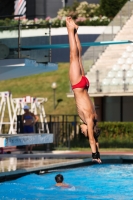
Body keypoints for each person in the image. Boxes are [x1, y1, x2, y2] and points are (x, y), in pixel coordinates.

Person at [66, 16, 101, 163]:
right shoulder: (89, 121)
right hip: (78, 86)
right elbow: (93, 140)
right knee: (73, 56)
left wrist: (99, 154)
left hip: (84, 85)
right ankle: (70, 29)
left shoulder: (94, 118)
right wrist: (94, 156)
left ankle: (75, 31)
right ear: (89, 130)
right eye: (84, 133)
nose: (82, 131)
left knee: (78, 56)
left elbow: (96, 140)